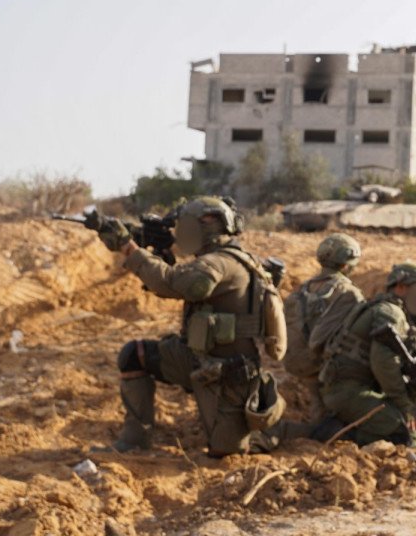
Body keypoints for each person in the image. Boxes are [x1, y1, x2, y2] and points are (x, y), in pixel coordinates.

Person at [100, 196, 289, 457]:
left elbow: (176, 283)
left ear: (205, 225)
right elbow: (178, 279)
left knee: (228, 452)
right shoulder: (229, 258)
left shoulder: (220, 263)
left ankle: (284, 431)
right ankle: (133, 441)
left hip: (227, 375)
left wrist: (128, 247)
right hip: (197, 359)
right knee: (135, 355)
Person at [318, 260, 416, 446]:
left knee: (401, 423)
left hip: (347, 387)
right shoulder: (391, 313)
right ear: (400, 287)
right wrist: (404, 404)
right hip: (347, 390)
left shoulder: (385, 307)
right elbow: (383, 362)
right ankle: (333, 435)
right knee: (402, 431)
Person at [283, 233, 365, 425]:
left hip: (298, 362)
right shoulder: (348, 293)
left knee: (318, 407)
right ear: (346, 264)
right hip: (325, 366)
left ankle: (317, 424)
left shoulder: (303, 289)